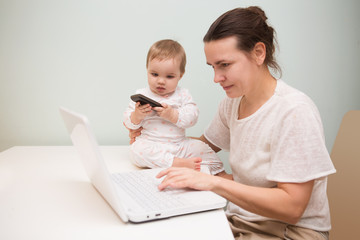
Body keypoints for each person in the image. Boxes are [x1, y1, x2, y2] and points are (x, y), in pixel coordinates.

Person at [130, 7, 336, 240]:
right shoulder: (233, 103)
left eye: (224, 65)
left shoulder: (294, 112)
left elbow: (292, 208)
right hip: (241, 221)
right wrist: (152, 141)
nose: (216, 78)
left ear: (259, 53)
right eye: (213, 67)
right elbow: (201, 147)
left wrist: (213, 183)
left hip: (288, 232)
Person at [123, 39, 224, 175]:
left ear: (180, 76)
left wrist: (173, 115)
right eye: (154, 74)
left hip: (180, 145)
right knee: (137, 150)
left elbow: (192, 117)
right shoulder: (141, 94)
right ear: (147, 70)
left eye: (169, 76)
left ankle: (219, 173)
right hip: (151, 143)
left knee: (201, 148)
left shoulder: (182, 94)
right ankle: (175, 163)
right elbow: (128, 122)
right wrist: (136, 116)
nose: (160, 81)